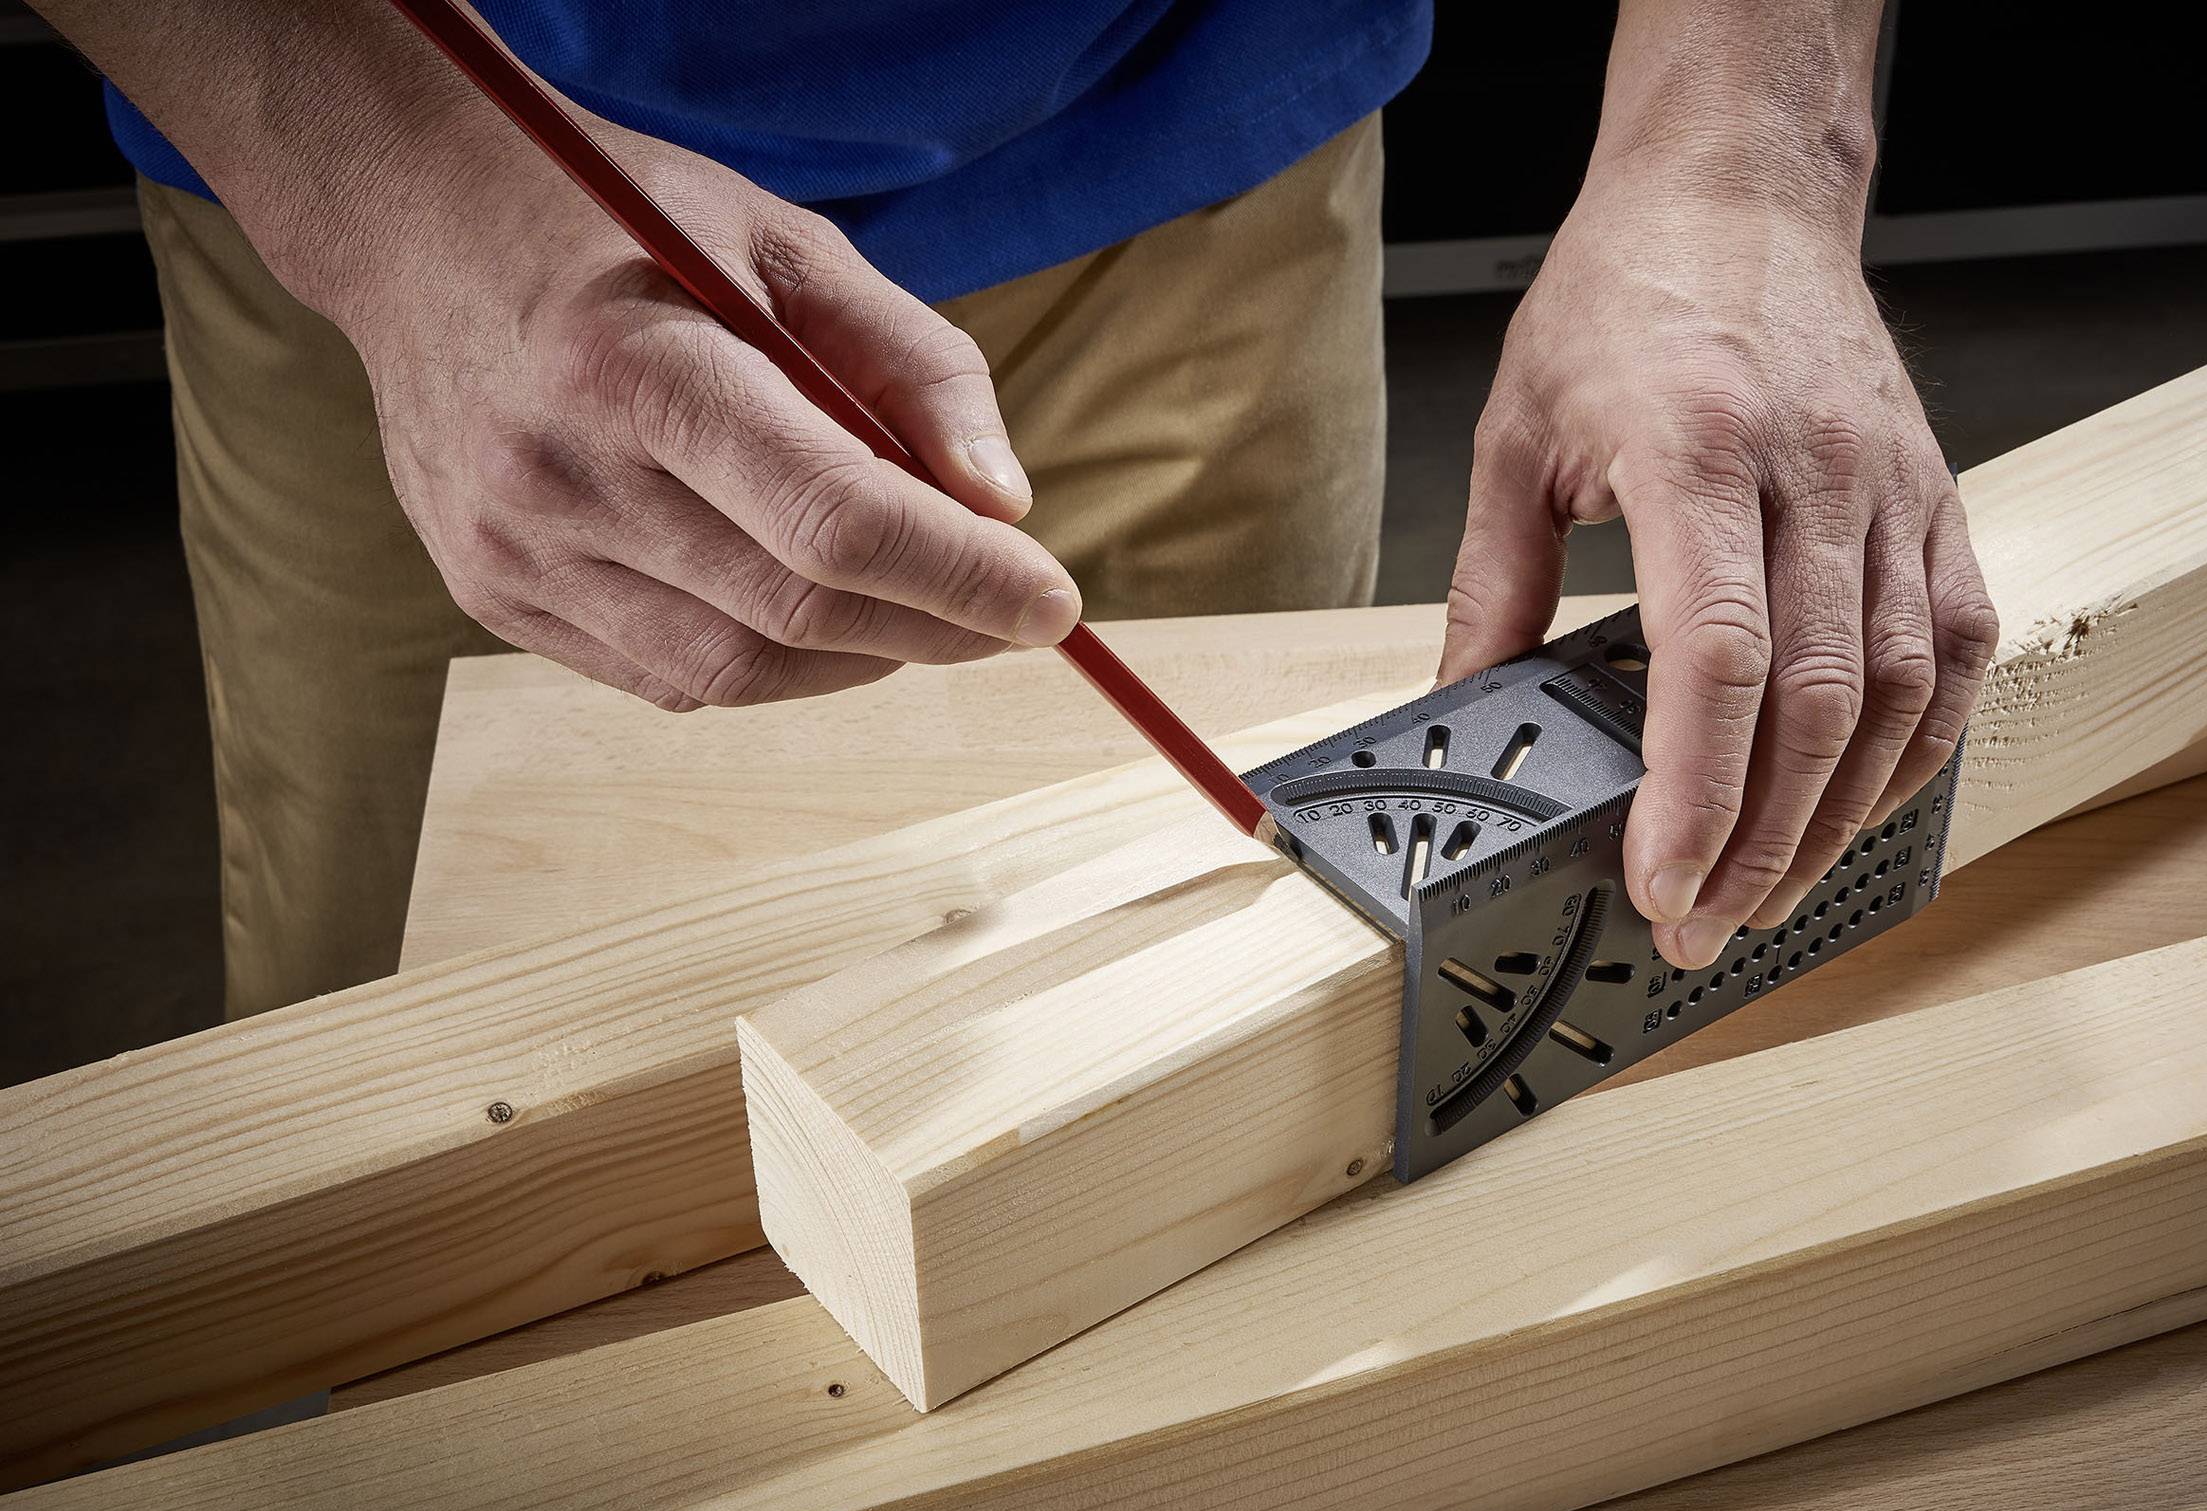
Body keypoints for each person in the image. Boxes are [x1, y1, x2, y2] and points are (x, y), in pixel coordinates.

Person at [44, 0, 1996, 1018]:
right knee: (422, 1105)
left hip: (1193, 104)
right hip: (411, 194)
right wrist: (377, 184)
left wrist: (1752, 130)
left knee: (1252, 985)